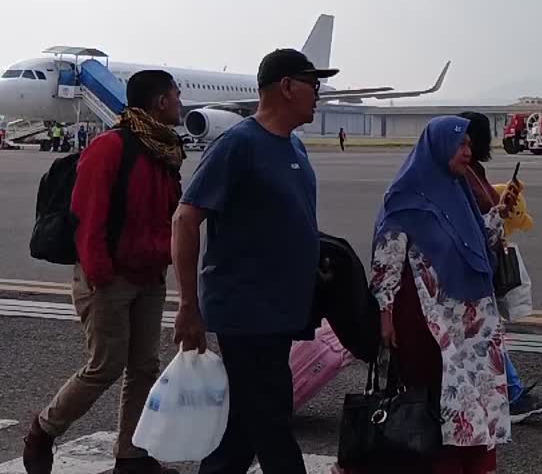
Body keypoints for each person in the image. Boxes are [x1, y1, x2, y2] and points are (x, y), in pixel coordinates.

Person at [170, 48, 337, 474]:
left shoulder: (294, 147)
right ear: (285, 87)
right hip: (247, 312)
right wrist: (188, 306)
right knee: (273, 422)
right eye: (312, 84)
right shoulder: (238, 145)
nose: (319, 93)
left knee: (241, 429)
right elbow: (185, 219)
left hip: (281, 312)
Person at [23, 70, 186, 474]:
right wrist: (99, 273)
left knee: (144, 366)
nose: (181, 103)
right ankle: (44, 429)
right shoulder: (111, 147)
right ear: (160, 102)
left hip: (149, 275)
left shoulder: (164, 151)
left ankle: (131, 456)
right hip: (109, 277)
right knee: (105, 366)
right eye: (176, 96)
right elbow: (87, 217)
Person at [356, 116, 510, 473]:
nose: (468, 152)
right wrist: (385, 314)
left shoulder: (458, 192)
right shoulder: (405, 197)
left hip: (471, 321)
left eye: (470, 145)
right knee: (437, 396)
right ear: (438, 147)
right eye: (460, 145)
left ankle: (470, 462)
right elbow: (387, 260)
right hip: (428, 318)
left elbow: (470, 242)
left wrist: (496, 217)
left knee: (475, 392)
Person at [459, 111, 542, 424]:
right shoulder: (462, 173)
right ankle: (511, 396)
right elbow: (476, 219)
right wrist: (498, 211)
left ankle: (506, 394)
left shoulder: (473, 170)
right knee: (485, 334)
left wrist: (502, 203)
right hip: (470, 267)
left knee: (480, 335)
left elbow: (487, 212)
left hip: (479, 262)